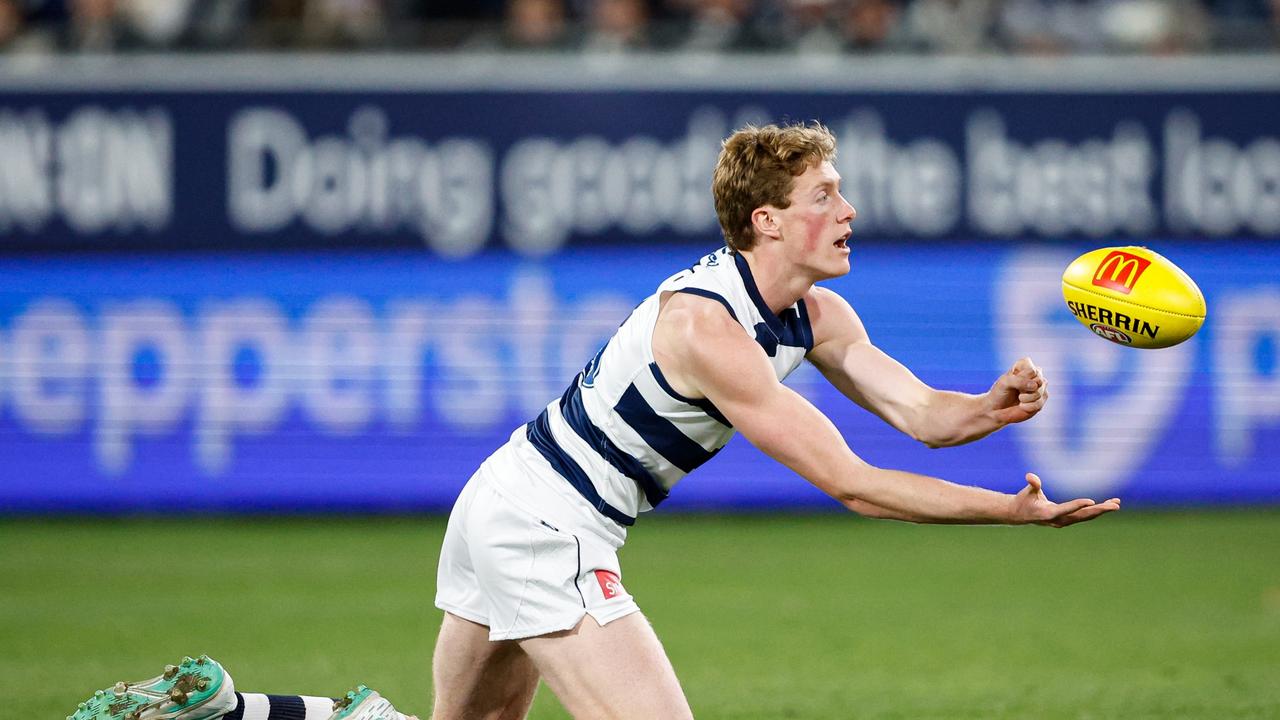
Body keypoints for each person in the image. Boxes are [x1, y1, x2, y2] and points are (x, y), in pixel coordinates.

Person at [69, 121, 1120, 720]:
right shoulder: (709, 328)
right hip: (545, 527)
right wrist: (1010, 517)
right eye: (826, 194)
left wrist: (983, 408)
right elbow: (850, 482)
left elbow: (915, 414)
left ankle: (232, 714)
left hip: (508, 500)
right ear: (766, 219)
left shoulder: (815, 313)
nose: (846, 211)